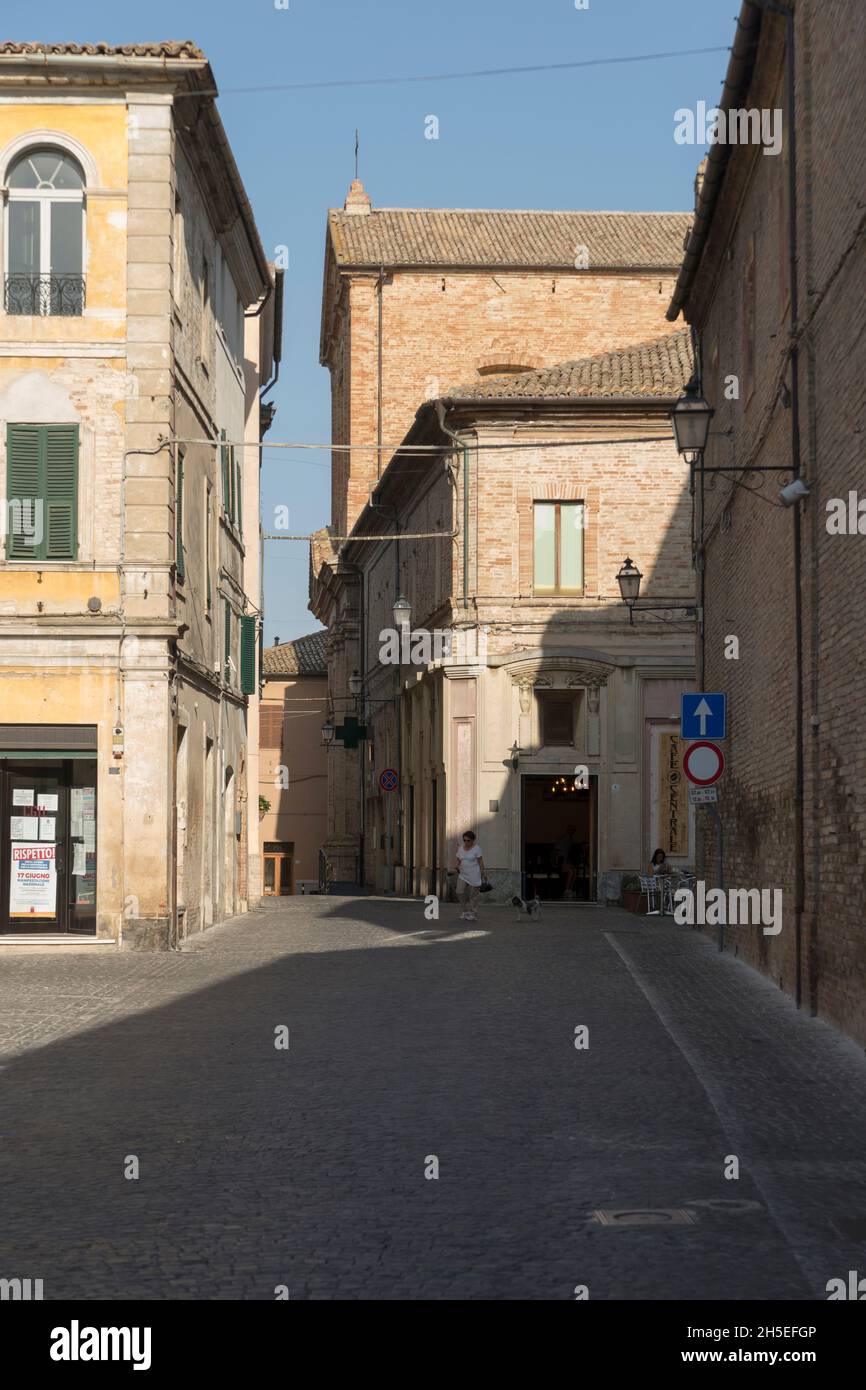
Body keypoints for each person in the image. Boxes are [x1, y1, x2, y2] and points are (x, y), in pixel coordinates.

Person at [454, 830, 487, 921]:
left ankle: (473, 913)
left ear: (473, 840)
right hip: (463, 874)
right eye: (464, 840)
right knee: (459, 891)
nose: (466, 842)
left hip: (474, 875)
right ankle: (465, 911)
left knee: (473, 896)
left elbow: (480, 861)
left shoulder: (477, 849)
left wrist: (483, 873)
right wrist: (456, 865)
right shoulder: (461, 848)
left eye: (468, 840)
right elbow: (459, 859)